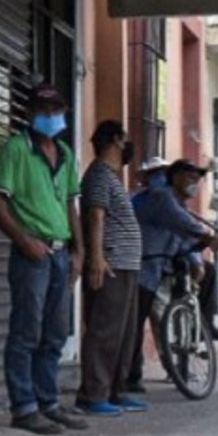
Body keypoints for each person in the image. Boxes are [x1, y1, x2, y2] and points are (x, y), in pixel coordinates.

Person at [0, 83, 87, 435]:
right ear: (29, 113)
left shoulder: (65, 153)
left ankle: (49, 401)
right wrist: (24, 240)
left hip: (61, 252)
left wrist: (79, 250)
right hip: (33, 251)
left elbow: (71, 205)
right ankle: (24, 406)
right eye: (43, 110)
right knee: (26, 330)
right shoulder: (17, 149)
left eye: (56, 110)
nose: (50, 116)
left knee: (55, 332)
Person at [126, 158, 218, 403]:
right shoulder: (161, 198)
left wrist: (197, 254)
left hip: (159, 267)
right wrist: (205, 236)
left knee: (207, 275)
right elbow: (182, 224)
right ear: (175, 177)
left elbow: (181, 238)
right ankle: (129, 377)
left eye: (198, 179)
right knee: (135, 324)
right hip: (142, 266)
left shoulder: (177, 202)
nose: (194, 183)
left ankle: (195, 341)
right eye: (190, 177)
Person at [74, 121, 142, 417]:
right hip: (112, 263)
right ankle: (93, 394)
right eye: (125, 139)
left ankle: (116, 390)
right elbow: (95, 216)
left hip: (127, 264)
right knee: (104, 331)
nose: (128, 146)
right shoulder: (99, 174)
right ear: (115, 140)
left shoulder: (112, 178)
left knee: (123, 333)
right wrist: (97, 258)